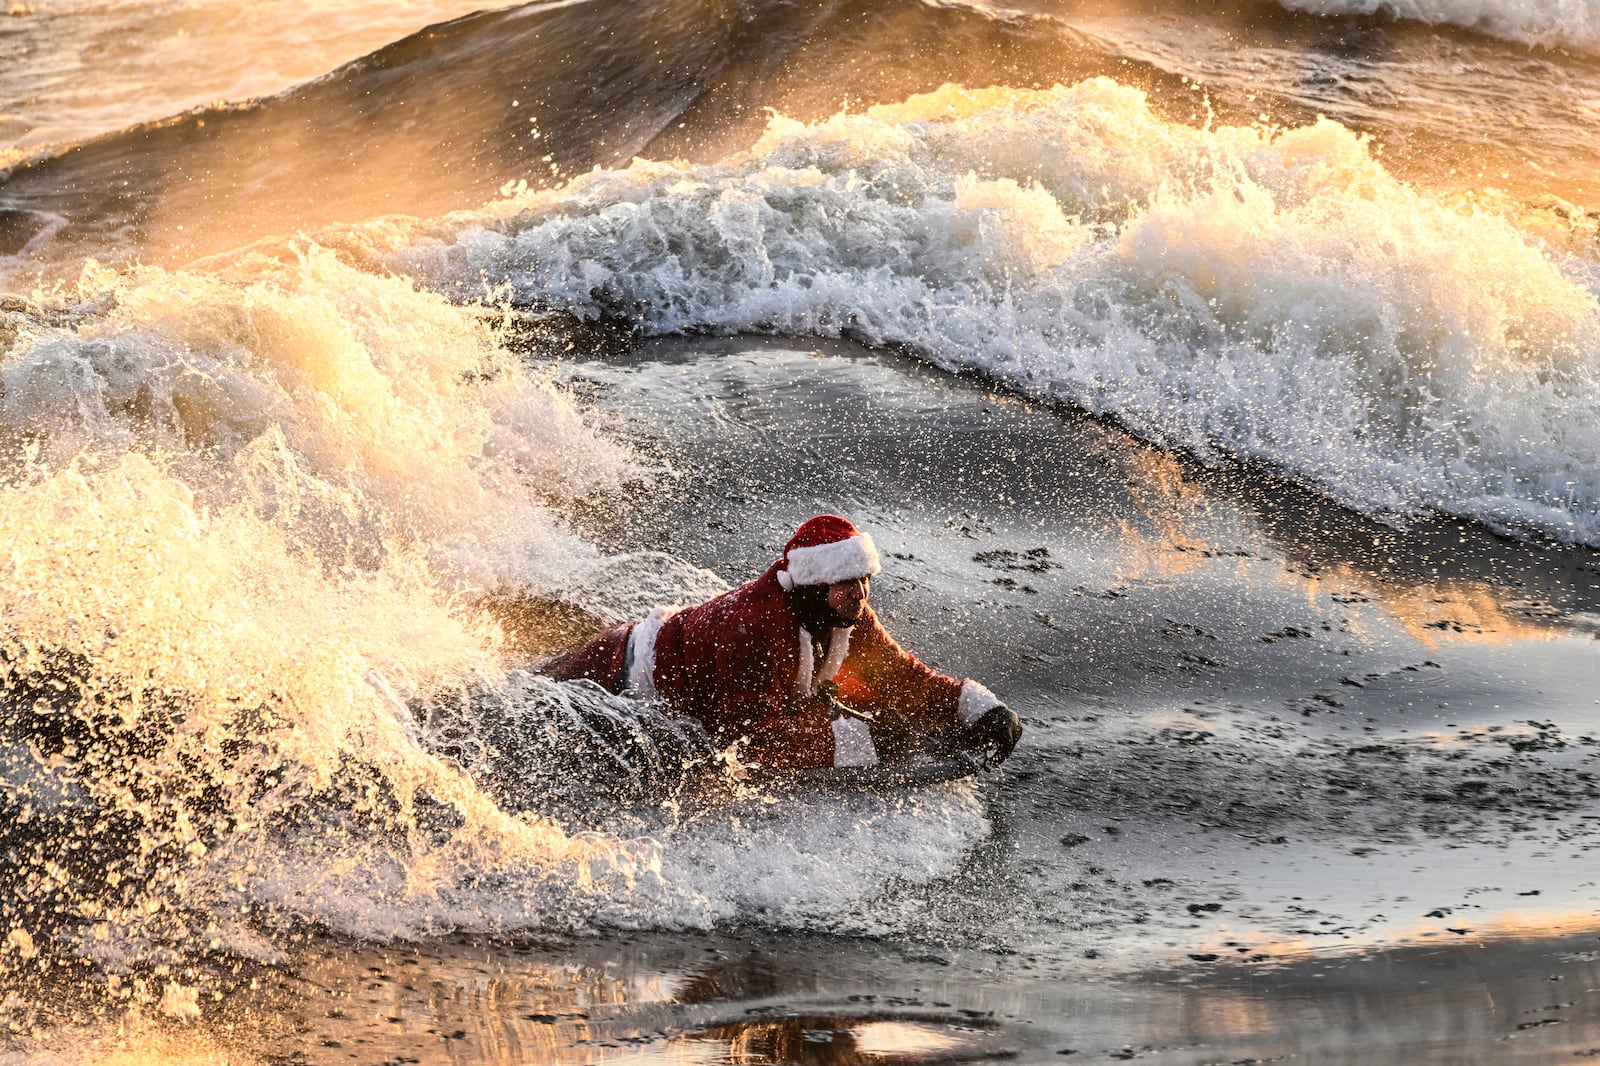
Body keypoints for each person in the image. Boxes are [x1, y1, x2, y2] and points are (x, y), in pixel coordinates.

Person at [541, 514, 1022, 772]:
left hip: (656, 666)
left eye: (864, 580)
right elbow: (750, 742)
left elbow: (900, 676)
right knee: (527, 705)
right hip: (619, 675)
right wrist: (863, 739)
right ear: (815, 585)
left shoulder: (844, 612)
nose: (860, 593)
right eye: (847, 583)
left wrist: (976, 710)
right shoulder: (755, 628)